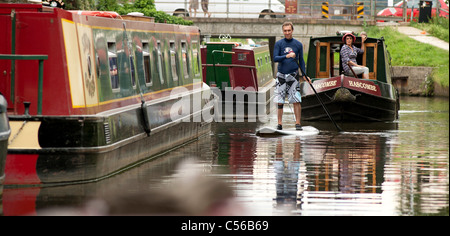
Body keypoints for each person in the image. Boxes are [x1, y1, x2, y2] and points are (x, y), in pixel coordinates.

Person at [273, 22, 309, 131]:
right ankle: (279, 124)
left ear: (292, 30)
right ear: (283, 31)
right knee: (280, 100)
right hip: (281, 75)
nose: (287, 32)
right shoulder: (279, 44)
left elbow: (301, 61)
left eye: (289, 30)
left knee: (296, 100)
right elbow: (275, 58)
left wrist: (305, 75)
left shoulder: (298, 44)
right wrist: (287, 56)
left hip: (293, 75)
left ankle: (298, 123)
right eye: (285, 31)